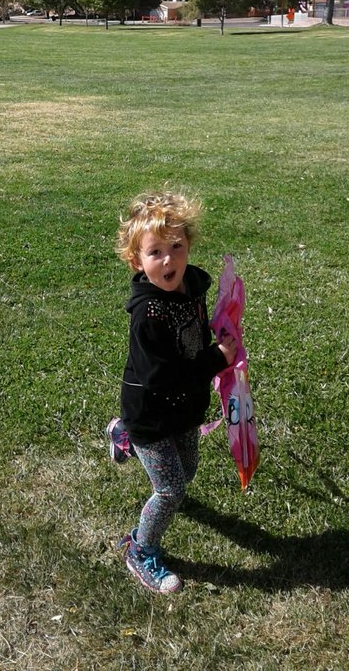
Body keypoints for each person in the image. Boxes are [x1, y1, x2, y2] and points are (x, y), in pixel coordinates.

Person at [107, 190, 238, 594]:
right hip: (151, 412)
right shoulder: (147, 315)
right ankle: (140, 549)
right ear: (137, 260)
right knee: (171, 489)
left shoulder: (192, 284)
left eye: (176, 247)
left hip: (185, 407)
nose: (168, 260)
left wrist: (218, 330)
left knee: (188, 471)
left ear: (189, 246)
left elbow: (197, 328)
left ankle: (121, 438)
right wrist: (215, 360)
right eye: (155, 252)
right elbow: (161, 378)